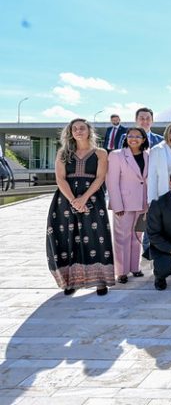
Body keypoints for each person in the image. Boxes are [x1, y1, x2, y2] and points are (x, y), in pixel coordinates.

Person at [46, 118, 114, 296]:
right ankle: (70, 282)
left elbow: (100, 178)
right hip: (65, 200)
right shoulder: (63, 153)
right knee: (67, 237)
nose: (78, 131)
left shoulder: (100, 153)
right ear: (70, 132)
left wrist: (83, 199)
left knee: (95, 236)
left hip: (92, 198)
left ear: (89, 131)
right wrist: (73, 200)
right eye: (74, 128)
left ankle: (100, 281)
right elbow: (60, 178)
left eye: (82, 128)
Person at [106, 127, 149, 284]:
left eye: (138, 136)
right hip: (124, 203)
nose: (134, 138)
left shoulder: (148, 155)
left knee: (138, 236)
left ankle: (135, 267)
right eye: (131, 135)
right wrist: (117, 205)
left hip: (142, 203)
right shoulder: (117, 155)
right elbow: (112, 182)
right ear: (126, 138)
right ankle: (122, 271)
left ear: (143, 139)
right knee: (121, 237)